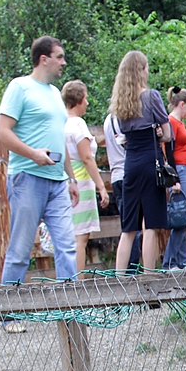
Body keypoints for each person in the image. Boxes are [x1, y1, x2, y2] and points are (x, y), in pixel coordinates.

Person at [0, 35, 79, 285]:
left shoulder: (54, 93)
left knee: (67, 247)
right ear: (44, 59)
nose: (64, 63)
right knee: (20, 251)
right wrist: (33, 154)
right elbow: (1, 131)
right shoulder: (19, 87)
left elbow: (58, 138)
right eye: (59, 57)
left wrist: (71, 177)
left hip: (57, 182)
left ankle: (71, 314)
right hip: (27, 179)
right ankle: (9, 316)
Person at [108, 50, 175, 273]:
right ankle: (150, 280)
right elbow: (167, 134)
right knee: (151, 226)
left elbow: (124, 137)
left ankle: (119, 282)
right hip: (150, 160)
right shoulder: (151, 96)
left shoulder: (120, 103)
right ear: (141, 70)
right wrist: (157, 133)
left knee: (128, 228)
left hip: (130, 163)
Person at [62, 80, 110, 272]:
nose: (87, 103)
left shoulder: (60, 123)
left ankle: (67, 280)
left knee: (69, 235)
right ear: (79, 100)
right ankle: (77, 285)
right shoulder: (78, 125)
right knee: (80, 237)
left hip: (65, 179)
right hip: (80, 181)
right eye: (86, 99)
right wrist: (101, 185)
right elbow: (87, 158)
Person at [103, 110, 142, 271]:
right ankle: (131, 271)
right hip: (126, 174)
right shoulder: (121, 119)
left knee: (129, 225)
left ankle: (129, 269)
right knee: (132, 228)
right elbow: (127, 142)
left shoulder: (108, 120)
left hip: (117, 175)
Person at [165, 87, 186, 269]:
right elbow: (167, 151)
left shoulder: (180, 123)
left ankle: (181, 260)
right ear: (181, 104)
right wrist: (174, 178)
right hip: (180, 171)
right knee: (181, 213)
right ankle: (170, 262)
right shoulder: (170, 122)